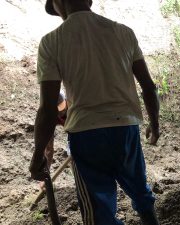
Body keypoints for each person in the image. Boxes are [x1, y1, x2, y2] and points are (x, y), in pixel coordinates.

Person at [29, 0, 160, 224]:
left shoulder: (52, 41)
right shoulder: (124, 33)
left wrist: (38, 153)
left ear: (59, 3)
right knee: (141, 193)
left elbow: (48, 108)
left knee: (98, 214)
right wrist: (155, 125)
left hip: (86, 135)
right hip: (126, 129)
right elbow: (148, 87)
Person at [39, 90, 68, 190]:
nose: (61, 111)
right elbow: (48, 149)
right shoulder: (48, 116)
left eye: (62, 106)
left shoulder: (74, 104)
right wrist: (45, 175)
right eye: (58, 109)